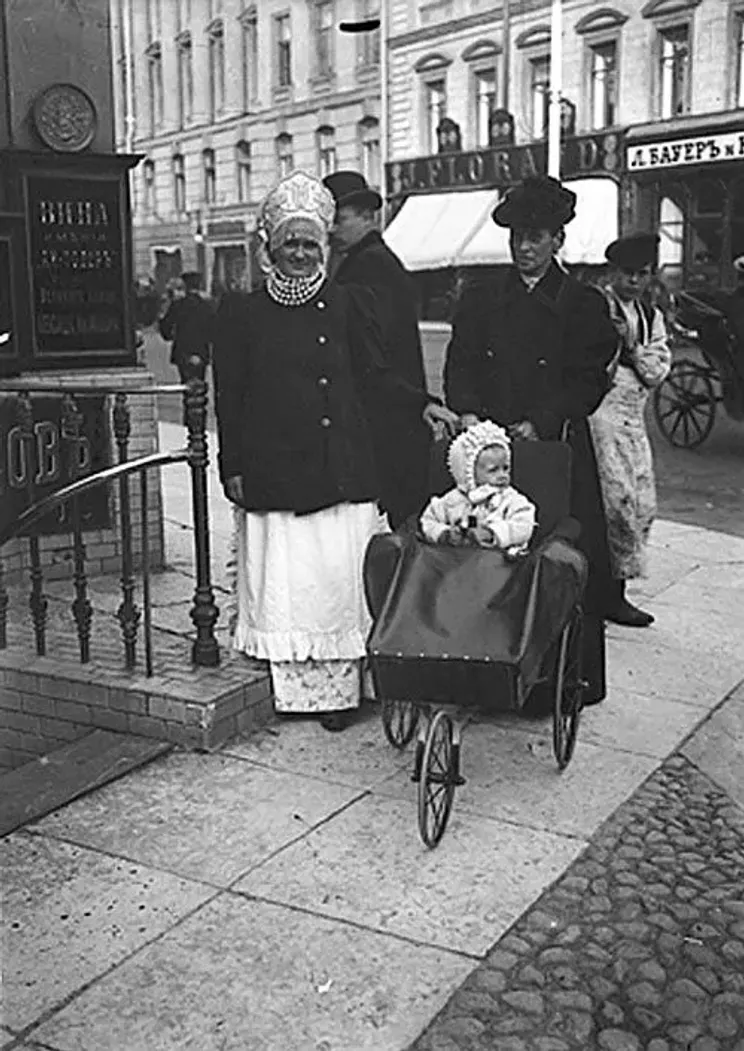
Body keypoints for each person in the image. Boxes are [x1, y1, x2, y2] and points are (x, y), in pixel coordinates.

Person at [212, 171, 437, 732]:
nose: (301, 253)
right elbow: (230, 397)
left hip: (343, 468)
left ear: (324, 248)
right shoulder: (242, 313)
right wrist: (232, 465)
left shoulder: (349, 303)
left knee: (340, 583)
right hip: (277, 470)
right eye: (290, 242)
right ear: (270, 248)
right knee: (294, 585)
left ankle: (344, 690)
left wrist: (421, 404)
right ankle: (295, 693)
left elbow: (376, 376)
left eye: (311, 242)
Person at [443, 175, 618, 705]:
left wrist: (542, 421)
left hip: (554, 445)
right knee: (486, 548)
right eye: (517, 235)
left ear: (558, 241)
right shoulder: (479, 299)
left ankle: (562, 679)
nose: (525, 246)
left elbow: (588, 377)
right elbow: (461, 362)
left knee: (560, 552)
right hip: (488, 447)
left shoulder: (582, 303)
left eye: (536, 236)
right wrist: (469, 412)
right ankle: (485, 666)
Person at [323, 170, 458, 528]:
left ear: (368, 217)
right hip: (393, 417)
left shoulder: (367, 268)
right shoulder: (371, 261)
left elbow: (371, 357)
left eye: (338, 220)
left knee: (390, 531)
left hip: (382, 422)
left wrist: (416, 400)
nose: (331, 230)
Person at [590, 234, 672, 627]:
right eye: (627, 273)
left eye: (642, 274)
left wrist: (633, 350)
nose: (634, 281)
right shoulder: (597, 306)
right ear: (613, 272)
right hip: (601, 415)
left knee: (641, 502)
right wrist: (614, 345)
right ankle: (605, 594)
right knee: (613, 499)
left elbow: (657, 369)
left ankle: (618, 589)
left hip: (633, 416)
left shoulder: (650, 315)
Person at [420, 420, 536, 554]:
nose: (502, 475)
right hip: (456, 560)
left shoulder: (510, 498)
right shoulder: (453, 499)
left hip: (496, 562)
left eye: (505, 468)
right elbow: (428, 521)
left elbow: (524, 525)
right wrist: (444, 534)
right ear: (468, 472)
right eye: (493, 470)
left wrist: (492, 534)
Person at [158, 271, 214, 383]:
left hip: (183, 350)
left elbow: (166, 325)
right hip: (201, 349)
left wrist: (168, 335)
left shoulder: (178, 305)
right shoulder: (207, 306)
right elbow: (213, 328)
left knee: (186, 383)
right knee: (199, 382)